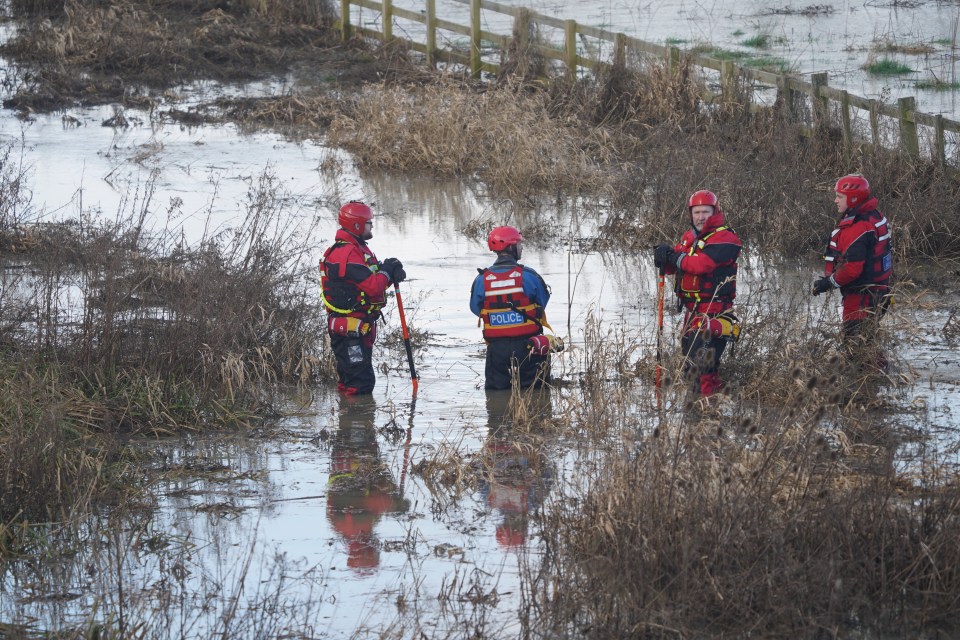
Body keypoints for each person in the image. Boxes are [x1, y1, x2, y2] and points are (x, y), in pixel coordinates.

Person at [654, 190, 742, 397]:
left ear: (715, 212)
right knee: (691, 365)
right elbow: (675, 266)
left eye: (706, 212)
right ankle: (704, 410)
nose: (701, 217)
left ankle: (706, 412)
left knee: (701, 366)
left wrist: (674, 257)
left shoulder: (726, 238)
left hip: (715, 313)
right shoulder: (689, 237)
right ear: (691, 214)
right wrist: (663, 257)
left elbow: (701, 265)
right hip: (692, 313)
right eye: (697, 212)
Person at [320, 201, 406, 395]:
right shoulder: (348, 254)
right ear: (356, 225)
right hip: (350, 331)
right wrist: (387, 272)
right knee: (359, 385)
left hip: (358, 328)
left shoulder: (357, 249)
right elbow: (374, 287)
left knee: (354, 380)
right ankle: (355, 422)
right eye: (368, 222)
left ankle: (349, 419)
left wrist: (391, 274)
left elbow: (368, 284)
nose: (372, 226)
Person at [812, 174, 892, 371]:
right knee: (867, 341)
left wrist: (827, 283)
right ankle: (881, 379)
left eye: (840, 196)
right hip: (881, 292)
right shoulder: (875, 216)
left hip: (862, 297)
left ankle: (864, 390)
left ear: (853, 199)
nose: (835, 200)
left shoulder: (857, 228)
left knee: (855, 346)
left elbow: (851, 270)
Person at [470, 226, 553, 391]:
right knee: (536, 393)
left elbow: (475, 308)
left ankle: (498, 415)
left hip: (496, 349)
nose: (521, 247)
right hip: (530, 346)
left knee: (496, 395)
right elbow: (542, 302)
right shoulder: (529, 275)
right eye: (519, 244)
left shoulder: (481, 280)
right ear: (510, 247)